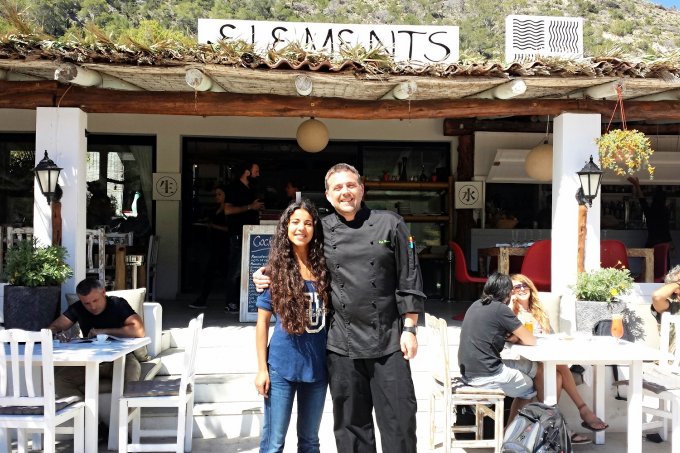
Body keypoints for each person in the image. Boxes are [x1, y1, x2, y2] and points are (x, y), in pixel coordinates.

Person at [255, 163, 425, 452]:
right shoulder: (323, 228)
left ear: (362, 189)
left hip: (389, 340)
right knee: (350, 427)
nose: (345, 192)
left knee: (400, 423)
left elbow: (409, 277)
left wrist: (410, 327)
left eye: (350, 185)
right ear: (328, 195)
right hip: (341, 345)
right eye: (337, 187)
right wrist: (265, 272)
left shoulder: (391, 223)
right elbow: (296, 251)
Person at [255, 199, 331, 452]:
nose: (301, 228)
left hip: (317, 368)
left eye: (308, 223)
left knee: (310, 441)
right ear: (285, 227)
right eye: (295, 222)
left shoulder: (325, 269)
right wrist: (261, 370)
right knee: (274, 442)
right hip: (281, 368)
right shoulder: (273, 273)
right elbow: (262, 323)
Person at [510, 273, 608, 441]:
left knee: (557, 376)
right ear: (511, 292)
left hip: (544, 359)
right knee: (559, 367)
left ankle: (556, 428)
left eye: (524, 285)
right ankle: (579, 413)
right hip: (524, 361)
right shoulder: (510, 312)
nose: (522, 289)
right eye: (516, 287)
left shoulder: (539, 311)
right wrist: (511, 305)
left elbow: (548, 338)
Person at [457, 273, 536, 424]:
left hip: (469, 372)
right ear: (508, 293)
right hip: (488, 375)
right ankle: (516, 430)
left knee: (534, 369)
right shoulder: (500, 309)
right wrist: (517, 336)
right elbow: (531, 340)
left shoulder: (475, 305)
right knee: (530, 386)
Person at [48, 278, 145, 400]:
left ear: (103, 292)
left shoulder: (117, 304)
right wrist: (58, 333)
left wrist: (104, 331)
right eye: (87, 303)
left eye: (95, 300)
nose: (92, 306)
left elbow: (139, 331)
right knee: (59, 380)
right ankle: (83, 412)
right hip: (91, 360)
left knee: (132, 378)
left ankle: (126, 412)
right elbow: (53, 327)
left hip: (121, 358)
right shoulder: (78, 308)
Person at [224, 163, 264, 312]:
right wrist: (249, 207)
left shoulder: (251, 188)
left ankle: (243, 303)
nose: (258, 174)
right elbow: (228, 210)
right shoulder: (233, 187)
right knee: (235, 269)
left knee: (247, 269)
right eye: (256, 171)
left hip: (251, 234)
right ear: (246, 172)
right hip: (237, 234)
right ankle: (231, 302)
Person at [189, 185, 230, 309]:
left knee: (215, 273)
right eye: (215, 194)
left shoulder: (228, 209)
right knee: (215, 273)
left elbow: (229, 229)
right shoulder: (217, 208)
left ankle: (204, 299)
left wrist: (213, 226)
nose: (216, 197)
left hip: (223, 246)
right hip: (214, 245)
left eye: (219, 194)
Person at [628, 176, 672, 248]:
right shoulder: (666, 212)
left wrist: (637, 186)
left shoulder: (650, 212)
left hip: (653, 242)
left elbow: (642, 200)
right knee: (662, 255)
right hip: (664, 243)